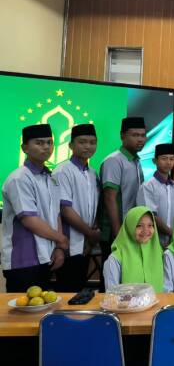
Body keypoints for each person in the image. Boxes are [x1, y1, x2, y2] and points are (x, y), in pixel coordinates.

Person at [2, 124, 68, 293]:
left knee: (42, 311)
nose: (46, 147)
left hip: (46, 258)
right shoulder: (19, 178)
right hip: (23, 260)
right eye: (39, 143)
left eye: (49, 142)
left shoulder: (50, 177)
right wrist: (61, 239)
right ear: (24, 148)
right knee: (21, 314)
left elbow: (56, 214)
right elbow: (29, 220)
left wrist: (59, 248)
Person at [54, 124, 100, 292]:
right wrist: (90, 234)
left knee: (79, 290)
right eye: (82, 142)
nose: (88, 146)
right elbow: (65, 210)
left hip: (85, 244)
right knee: (67, 291)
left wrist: (90, 238)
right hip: (68, 244)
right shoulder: (62, 171)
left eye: (92, 142)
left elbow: (93, 208)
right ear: (71, 145)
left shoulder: (92, 173)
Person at [100, 116, 146, 252]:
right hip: (116, 232)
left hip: (131, 228)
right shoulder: (114, 160)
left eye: (143, 135)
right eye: (135, 135)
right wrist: (118, 233)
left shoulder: (136, 161)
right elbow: (109, 198)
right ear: (122, 136)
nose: (140, 139)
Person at [103, 206, 164, 292]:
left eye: (150, 225)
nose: (146, 230)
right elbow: (111, 295)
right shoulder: (115, 259)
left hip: (159, 304)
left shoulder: (160, 254)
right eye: (139, 226)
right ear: (129, 227)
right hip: (126, 305)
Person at [137, 143, 174, 248]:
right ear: (155, 161)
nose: (168, 162)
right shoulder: (147, 186)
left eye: (172, 159)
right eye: (164, 158)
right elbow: (151, 216)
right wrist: (172, 233)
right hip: (152, 241)